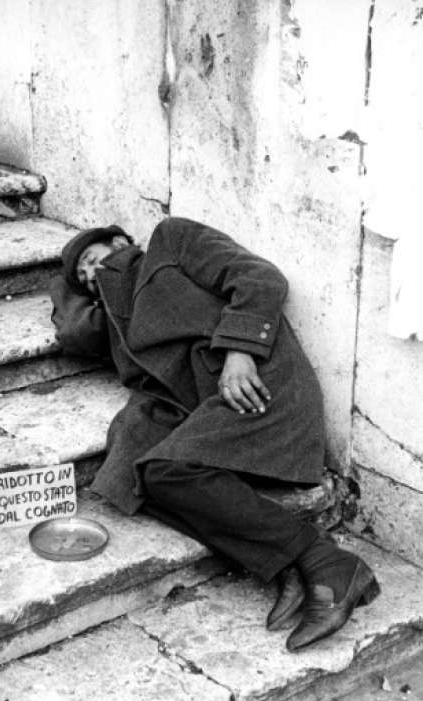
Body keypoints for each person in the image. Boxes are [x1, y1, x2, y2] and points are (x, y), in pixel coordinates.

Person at [50, 217, 380, 651]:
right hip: (210, 410)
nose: (92, 274)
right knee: (140, 475)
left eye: (94, 259)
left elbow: (260, 278)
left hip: (259, 385)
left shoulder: (171, 241)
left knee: (166, 470)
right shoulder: (115, 322)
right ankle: (288, 568)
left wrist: (239, 351)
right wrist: (65, 282)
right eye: (84, 277)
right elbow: (72, 332)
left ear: (121, 241)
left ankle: (326, 562)